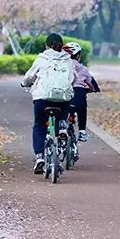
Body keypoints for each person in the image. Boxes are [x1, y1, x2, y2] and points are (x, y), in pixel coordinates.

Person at [21, 33, 76, 174]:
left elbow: (29, 76)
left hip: (42, 98)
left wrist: (25, 83)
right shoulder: (68, 59)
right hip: (63, 99)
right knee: (61, 116)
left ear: (47, 45)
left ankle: (39, 157)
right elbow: (73, 78)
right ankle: (62, 127)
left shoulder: (42, 58)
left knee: (39, 125)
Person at [64, 41, 100, 143]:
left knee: (62, 111)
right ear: (78, 56)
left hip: (65, 95)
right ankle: (82, 132)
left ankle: (61, 128)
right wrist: (94, 89)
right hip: (79, 94)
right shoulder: (83, 69)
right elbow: (91, 82)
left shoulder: (61, 67)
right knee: (82, 109)